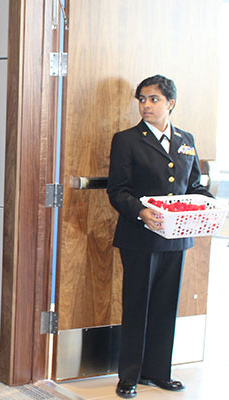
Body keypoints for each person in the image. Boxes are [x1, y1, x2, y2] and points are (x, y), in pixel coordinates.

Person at [107, 75, 212, 398]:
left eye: (153, 99)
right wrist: (140, 211)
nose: (146, 105)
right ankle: (129, 376)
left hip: (176, 238)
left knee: (166, 306)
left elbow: (192, 185)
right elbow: (118, 190)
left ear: (171, 103)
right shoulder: (127, 140)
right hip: (140, 236)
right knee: (137, 305)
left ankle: (158, 372)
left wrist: (206, 202)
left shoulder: (186, 139)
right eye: (142, 99)